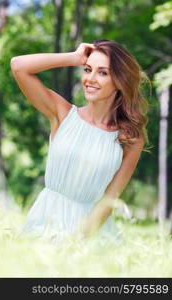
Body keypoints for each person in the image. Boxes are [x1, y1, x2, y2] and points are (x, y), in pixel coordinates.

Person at [10, 39, 149, 244]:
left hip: (91, 233)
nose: (90, 79)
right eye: (87, 69)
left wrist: (77, 242)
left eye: (102, 72)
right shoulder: (62, 113)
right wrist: (74, 57)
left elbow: (109, 200)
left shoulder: (131, 138)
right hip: (44, 222)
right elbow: (18, 66)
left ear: (120, 80)